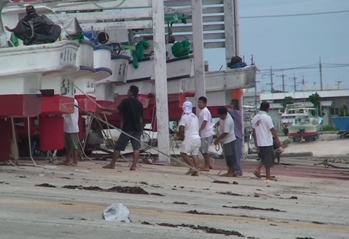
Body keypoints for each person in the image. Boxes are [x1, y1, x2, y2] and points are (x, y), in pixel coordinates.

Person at [100, 85, 144, 171]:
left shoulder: (125, 101)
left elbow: (116, 110)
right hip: (137, 129)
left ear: (131, 93)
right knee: (136, 148)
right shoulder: (139, 104)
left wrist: (104, 109)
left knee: (118, 147)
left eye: (128, 91)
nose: (127, 93)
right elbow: (141, 118)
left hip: (127, 128)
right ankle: (134, 166)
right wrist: (141, 128)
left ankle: (112, 164)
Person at [251, 101, 281, 181]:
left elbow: (253, 132)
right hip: (267, 141)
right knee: (268, 159)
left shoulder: (255, 118)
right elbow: (272, 129)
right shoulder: (267, 117)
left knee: (264, 158)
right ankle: (266, 175)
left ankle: (258, 169)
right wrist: (277, 140)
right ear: (268, 108)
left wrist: (256, 141)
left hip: (260, 142)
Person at [177, 101, 201, 176]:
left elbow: (181, 129)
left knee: (183, 153)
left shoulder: (184, 117)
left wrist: (178, 133)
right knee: (195, 155)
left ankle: (192, 167)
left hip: (189, 138)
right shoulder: (195, 116)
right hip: (197, 138)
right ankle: (196, 171)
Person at [214, 107, 237, 177]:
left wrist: (217, 139)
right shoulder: (222, 117)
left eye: (222, 116)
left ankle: (231, 171)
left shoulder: (228, 121)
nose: (221, 117)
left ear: (225, 114)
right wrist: (217, 123)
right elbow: (220, 120)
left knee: (229, 156)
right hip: (226, 140)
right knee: (229, 156)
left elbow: (226, 132)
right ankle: (232, 171)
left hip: (229, 140)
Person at [60, 99, 80, 166]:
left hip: (72, 126)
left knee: (74, 145)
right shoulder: (66, 100)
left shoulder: (73, 101)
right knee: (68, 145)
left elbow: (67, 109)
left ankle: (75, 161)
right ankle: (67, 160)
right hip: (67, 126)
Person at [197, 96, 214, 171]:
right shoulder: (204, 111)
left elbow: (205, 121)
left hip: (206, 134)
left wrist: (199, 130)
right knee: (202, 149)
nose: (199, 104)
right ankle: (209, 164)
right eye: (198, 102)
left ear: (205, 103)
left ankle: (207, 166)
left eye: (201, 102)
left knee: (205, 151)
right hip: (205, 134)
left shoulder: (204, 111)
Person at [227, 100, 243, 176]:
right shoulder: (234, 114)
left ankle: (238, 170)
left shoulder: (236, 112)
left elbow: (226, 110)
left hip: (237, 135)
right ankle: (235, 169)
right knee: (234, 154)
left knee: (236, 154)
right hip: (234, 135)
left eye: (231, 104)